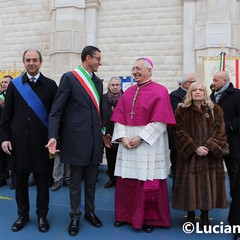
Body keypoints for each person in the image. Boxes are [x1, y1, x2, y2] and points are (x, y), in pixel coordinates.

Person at [111, 57, 175, 233]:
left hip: (148, 143)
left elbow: (161, 122)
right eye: (133, 69)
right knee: (127, 180)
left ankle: (149, 219)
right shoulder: (128, 91)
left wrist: (141, 138)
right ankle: (124, 215)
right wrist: (123, 137)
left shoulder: (160, 91)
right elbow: (119, 119)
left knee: (148, 181)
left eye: (138, 68)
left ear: (149, 70)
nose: (135, 72)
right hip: (128, 143)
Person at [46, 45, 103, 236]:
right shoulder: (70, 78)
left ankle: (90, 212)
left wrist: (105, 133)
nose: (99, 62)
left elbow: (99, 112)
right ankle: (74, 216)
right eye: (97, 58)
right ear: (88, 58)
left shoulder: (98, 82)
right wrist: (53, 135)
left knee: (92, 182)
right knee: (75, 183)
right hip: (76, 140)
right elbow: (56, 110)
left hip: (95, 140)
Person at [0, 49, 58, 233]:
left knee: (42, 182)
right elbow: (6, 116)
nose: (31, 63)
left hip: (42, 143)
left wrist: (55, 138)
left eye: (34, 60)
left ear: (40, 62)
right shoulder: (15, 86)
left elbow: (55, 116)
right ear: (24, 62)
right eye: (28, 60)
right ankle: (23, 215)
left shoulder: (50, 85)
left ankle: (42, 215)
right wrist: (5, 138)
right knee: (20, 182)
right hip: (18, 143)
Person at [172, 81, 227, 228]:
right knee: (189, 186)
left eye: (200, 90)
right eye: (194, 89)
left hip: (209, 157)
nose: (197, 92)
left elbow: (220, 131)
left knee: (207, 186)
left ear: (204, 93)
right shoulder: (182, 110)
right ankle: (190, 215)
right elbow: (179, 132)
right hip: (190, 155)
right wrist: (195, 147)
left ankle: (204, 215)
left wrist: (208, 147)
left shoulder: (215, 109)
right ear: (189, 92)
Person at [210, 71, 240, 198]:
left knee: (233, 171)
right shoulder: (211, 96)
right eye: (213, 80)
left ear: (225, 81)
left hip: (232, 139)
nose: (213, 83)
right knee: (214, 170)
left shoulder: (237, 94)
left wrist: (230, 127)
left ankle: (235, 200)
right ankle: (216, 198)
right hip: (214, 139)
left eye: (216, 80)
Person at [168, 73, 196, 187]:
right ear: (186, 84)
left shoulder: (196, 95)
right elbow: (177, 115)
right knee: (177, 166)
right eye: (193, 82)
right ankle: (177, 190)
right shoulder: (174, 95)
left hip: (193, 137)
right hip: (178, 138)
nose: (195, 84)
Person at [102, 76, 123, 188]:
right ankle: (112, 179)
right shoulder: (103, 99)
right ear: (108, 86)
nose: (115, 87)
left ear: (120, 86)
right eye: (113, 85)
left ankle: (121, 180)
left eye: (117, 85)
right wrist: (103, 133)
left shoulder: (126, 98)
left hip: (122, 134)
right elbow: (100, 117)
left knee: (122, 159)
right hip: (108, 135)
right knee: (110, 158)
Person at [0, 75, 13, 188]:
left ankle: (14, 180)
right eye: (2, 82)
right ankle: (3, 177)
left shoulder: (15, 96)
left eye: (6, 82)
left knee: (12, 156)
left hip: (13, 131)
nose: (3, 84)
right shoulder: (1, 96)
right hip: (2, 130)